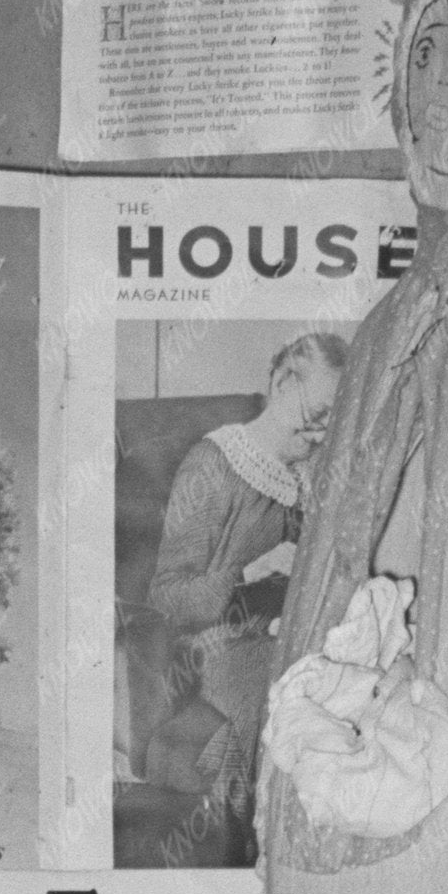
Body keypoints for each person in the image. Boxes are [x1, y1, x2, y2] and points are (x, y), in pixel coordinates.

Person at [134, 335, 339, 860]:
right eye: (314, 414)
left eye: (331, 421)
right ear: (279, 384)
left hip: (291, 637)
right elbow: (168, 597)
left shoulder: (305, 479)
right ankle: (256, 858)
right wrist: (249, 571)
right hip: (213, 649)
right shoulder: (214, 464)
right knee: (282, 699)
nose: (319, 435)